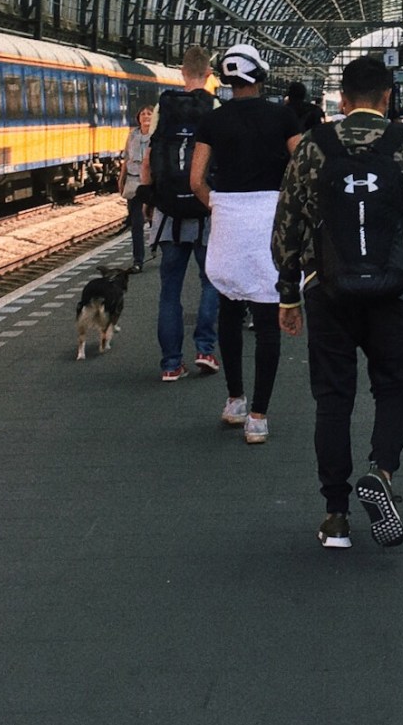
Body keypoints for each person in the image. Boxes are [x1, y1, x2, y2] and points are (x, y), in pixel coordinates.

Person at [273, 55, 403, 550]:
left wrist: (287, 295)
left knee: (333, 399)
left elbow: (287, 224)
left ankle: (336, 515)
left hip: (328, 290)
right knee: (394, 386)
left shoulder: (314, 146)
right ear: (388, 97)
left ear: (343, 100)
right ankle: (381, 471)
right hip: (395, 290)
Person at [191, 44, 301, 445]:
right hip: (270, 221)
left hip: (229, 222)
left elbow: (196, 180)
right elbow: (303, 167)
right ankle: (259, 416)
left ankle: (235, 399)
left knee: (230, 310)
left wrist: (219, 205)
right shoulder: (283, 117)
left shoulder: (212, 120)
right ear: (261, 75)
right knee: (268, 320)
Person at [141, 45, 222, 383]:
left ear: (181, 71)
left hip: (169, 214)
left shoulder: (164, 106)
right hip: (205, 212)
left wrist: (148, 200)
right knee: (210, 281)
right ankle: (205, 349)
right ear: (209, 74)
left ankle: (171, 364)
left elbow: (149, 159)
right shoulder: (215, 107)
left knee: (169, 291)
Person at [120, 104, 154, 269]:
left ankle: (157, 246)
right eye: (143, 114)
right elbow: (127, 158)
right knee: (136, 222)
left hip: (152, 183)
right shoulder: (132, 135)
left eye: (149, 113)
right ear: (138, 118)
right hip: (134, 183)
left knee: (154, 219)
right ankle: (138, 260)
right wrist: (121, 179)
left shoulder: (158, 135)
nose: (146, 116)